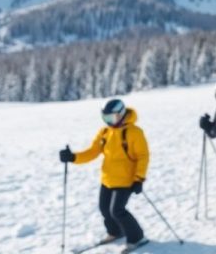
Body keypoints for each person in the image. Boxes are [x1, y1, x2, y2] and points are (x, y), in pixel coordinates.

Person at [59, 99, 150, 252]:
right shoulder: (105, 132)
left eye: (111, 118)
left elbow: (143, 156)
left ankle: (137, 237)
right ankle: (115, 232)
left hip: (126, 180)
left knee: (117, 211)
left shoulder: (134, 132)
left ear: (121, 114)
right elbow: (92, 152)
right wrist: (73, 157)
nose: (109, 122)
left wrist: (139, 178)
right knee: (104, 209)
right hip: (108, 179)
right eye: (105, 118)